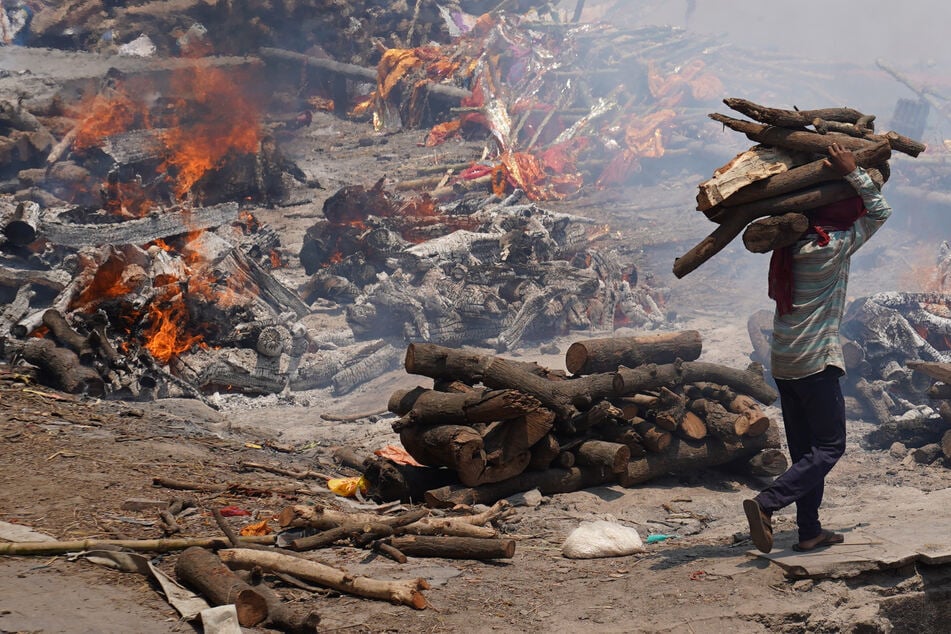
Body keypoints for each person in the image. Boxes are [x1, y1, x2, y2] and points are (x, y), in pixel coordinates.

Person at [743, 142, 893, 553]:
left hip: (785, 363)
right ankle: (766, 503)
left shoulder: (786, 246)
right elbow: (880, 210)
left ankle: (808, 530)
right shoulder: (833, 245)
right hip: (816, 362)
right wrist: (853, 171)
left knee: (806, 454)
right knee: (830, 447)